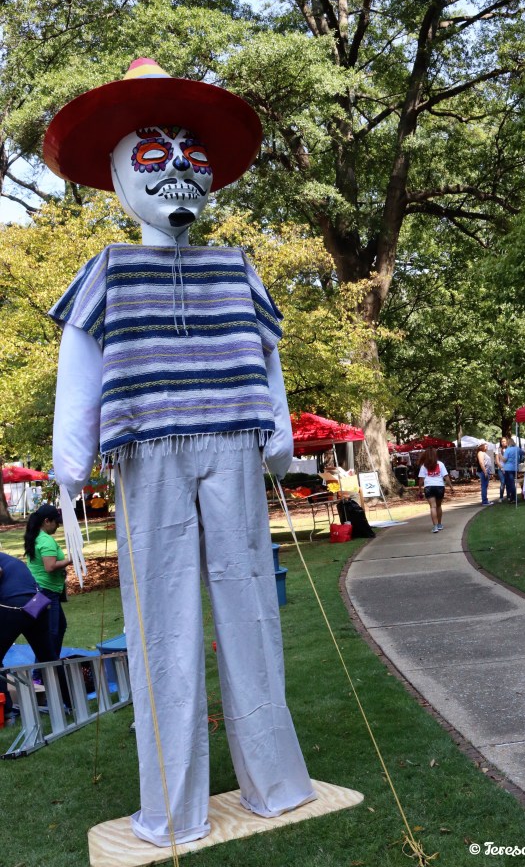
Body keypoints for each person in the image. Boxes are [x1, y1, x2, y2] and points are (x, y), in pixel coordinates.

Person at [43, 58, 314, 848]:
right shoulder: (108, 270)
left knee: (250, 606)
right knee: (161, 623)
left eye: (191, 154)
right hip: (148, 453)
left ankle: (274, 781)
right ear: (120, 171)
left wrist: (278, 436)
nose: (178, 169)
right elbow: (79, 367)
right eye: (154, 155)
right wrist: (70, 461)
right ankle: (174, 805)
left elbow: (267, 358)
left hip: (230, 441)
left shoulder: (237, 268)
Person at [0, 551, 60, 713]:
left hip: (15, 604)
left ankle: (5, 711)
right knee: (48, 657)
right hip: (37, 601)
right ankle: (68, 701)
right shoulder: (6, 558)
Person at [23, 505, 71, 657]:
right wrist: (70, 560)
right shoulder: (46, 540)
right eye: (56, 522)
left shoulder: (35, 535)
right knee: (51, 634)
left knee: (58, 627)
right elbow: (50, 566)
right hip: (46, 592)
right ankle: (45, 667)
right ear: (47, 521)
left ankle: (49, 663)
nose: (58, 526)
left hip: (38, 590)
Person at [417, 448, 454, 533]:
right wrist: (451, 487)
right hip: (440, 486)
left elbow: (421, 479)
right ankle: (440, 524)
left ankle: (435, 526)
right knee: (438, 506)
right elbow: (446, 476)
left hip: (429, 487)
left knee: (433, 507)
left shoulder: (424, 466)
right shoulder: (440, 464)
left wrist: (419, 489)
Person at [502, 438, 525, 503]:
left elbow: (504, 460)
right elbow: (524, 453)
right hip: (515, 468)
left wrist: (500, 455)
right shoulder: (517, 449)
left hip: (508, 469)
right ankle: (512, 498)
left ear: (508, 443)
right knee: (512, 483)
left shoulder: (508, 450)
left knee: (510, 484)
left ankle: (514, 498)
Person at [495, 437, 507, 501]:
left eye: (504, 441)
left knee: (508, 483)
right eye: (502, 441)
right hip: (501, 468)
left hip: (508, 468)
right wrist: (502, 468)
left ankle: (509, 496)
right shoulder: (498, 450)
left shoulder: (509, 449)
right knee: (503, 482)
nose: (503, 442)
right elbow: (497, 461)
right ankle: (501, 497)